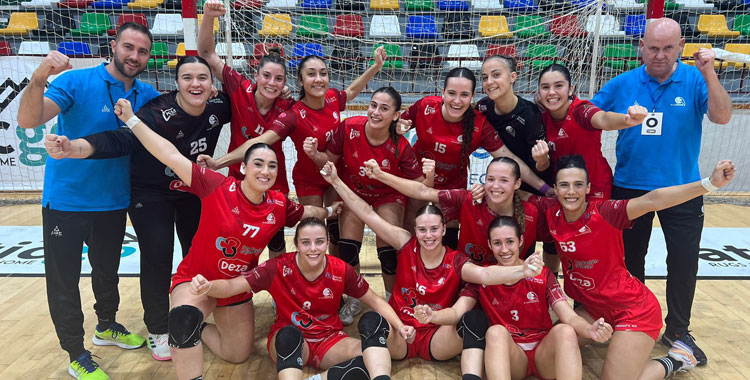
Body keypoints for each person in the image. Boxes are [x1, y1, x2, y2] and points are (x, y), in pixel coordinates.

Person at [110, 96, 338, 379]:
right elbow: (170, 155)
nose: (265, 171)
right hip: (196, 280)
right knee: (183, 319)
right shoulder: (216, 185)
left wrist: (330, 209)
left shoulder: (278, 204)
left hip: (234, 287)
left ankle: (202, 329)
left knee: (238, 355)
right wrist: (132, 120)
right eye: (258, 164)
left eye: (271, 166)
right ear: (243, 167)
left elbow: (306, 211)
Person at [43, 55, 232, 362]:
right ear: (177, 83)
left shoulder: (219, 106)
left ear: (212, 84)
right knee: (157, 257)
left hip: (190, 192)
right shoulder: (158, 112)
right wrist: (74, 148)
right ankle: (158, 330)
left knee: (198, 255)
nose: (195, 84)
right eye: (188, 78)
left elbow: (253, 104)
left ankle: (194, 316)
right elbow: (120, 140)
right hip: (150, 194)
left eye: (202, 78)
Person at [202, 47, 388, 324]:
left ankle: (341, 295)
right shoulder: (292, 113)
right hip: (307, 180)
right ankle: (307, 293)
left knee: (339, 240)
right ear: (300, 81)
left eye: (323, 74)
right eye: (311, 74)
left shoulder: (334, 100)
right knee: (315, 239)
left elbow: (351, 91)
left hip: (336, 178)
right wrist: (219, 162)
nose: (318, 79)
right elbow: (261, 141)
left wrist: (374, 67)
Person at [17, 22, 159, 379]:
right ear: (114, 45)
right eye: (128, 47)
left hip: (114, 202)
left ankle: (107, 325)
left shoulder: (148, 93)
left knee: (107, 271)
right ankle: (76, 352)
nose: (134, 56)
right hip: (66, 202)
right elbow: (28, 119)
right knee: (63, 280)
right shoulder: (75, 81)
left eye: (142, 51)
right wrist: (38, 79)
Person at [590, 17, 733, 365]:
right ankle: (632, 318)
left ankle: (678, 329)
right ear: (641, 46)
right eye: (653, 48)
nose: (659, 55)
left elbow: (723, 116)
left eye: (668, 48)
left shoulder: (696, 79)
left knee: (683, 262)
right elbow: (589, 114)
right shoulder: (623, 83)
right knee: (628, 261)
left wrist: (710, 73)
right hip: (629, 187)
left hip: (683, 189)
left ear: (680, 47)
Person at [321, 161, 543, 376]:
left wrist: (523, 271)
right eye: (423, 230)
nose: (428, 236)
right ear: (415, 230)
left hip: (437, 336)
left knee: (475, 321)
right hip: (402, 334)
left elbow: (485, 274)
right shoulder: (405, 243)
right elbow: (367, 214)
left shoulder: (456, 261)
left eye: (434, 229)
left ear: (445, 229)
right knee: (370, 320)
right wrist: (336, 181)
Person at [530, 154, 735, 379]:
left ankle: (676, 360)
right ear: (555, 190)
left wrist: (710, 184)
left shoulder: (606, 212)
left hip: (634, 310)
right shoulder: (551, 213)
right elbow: (514, 192)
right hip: (595, 311)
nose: (571, 192)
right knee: (550, 347)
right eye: (564, 185)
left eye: (578, 185)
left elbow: (652, 200)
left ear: (588, 187)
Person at [189, 217, 412, 380]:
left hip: (330, 340)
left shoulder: (341, 269)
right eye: (306, 242)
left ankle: (317, 379)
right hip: (292, 341)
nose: (313, 249)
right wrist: (208, 286)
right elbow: (233, 285)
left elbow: (376, 301)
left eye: (319, 242)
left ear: (326, 243)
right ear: (296, 244)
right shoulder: (277, 267)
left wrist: (401, 327)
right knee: (288, 336)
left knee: (374, 361)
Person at [421, 216, 613, 380]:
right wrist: (433, 316)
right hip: (511, 355)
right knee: (495, 332)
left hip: (542, 353)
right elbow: (456, 313)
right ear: (489, 245)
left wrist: (589, 330)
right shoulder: (483, 277)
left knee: (565, 330)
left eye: (510, 242)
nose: (504, 249)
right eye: (497, 243)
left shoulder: (542, 274)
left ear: (521, 240)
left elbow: (569, 316)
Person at [398, 67, 552, 249]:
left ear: (472, 97)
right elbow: (394, 125)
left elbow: (510, 158)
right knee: (410, 236)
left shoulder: (479, 124)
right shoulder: (425, 106)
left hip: (453, 187)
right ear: (442, 92)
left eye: (464, 95)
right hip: (418, 179)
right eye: (451, 93)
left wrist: (545, 188)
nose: (457, 100)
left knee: (448, 243)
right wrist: (397, 127)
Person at [303, 87, 427, 303]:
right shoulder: (349, 127)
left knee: (388, 254)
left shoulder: (402, 145)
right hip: (355, 194)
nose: (376, 112)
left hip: (388, 196)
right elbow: (329, 159)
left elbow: (418, 187)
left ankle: (392, 300)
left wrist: (413, 219)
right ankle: (354, 300)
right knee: (348, 251)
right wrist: (314, 155)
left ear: (396, 115)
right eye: (373, 105)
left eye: (384, 108)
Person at [198, 0, 294, 259]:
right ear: (256, 74)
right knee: (235, 235)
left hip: (273, 179)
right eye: (267, 76)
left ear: (285, 82)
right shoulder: (240, 88)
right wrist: (208, 16)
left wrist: (217, 163)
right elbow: (206, 53)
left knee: (275, 237)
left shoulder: (287, 107)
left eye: (278, 79)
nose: (272, 83)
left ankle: (276, 291)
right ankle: (233, 282)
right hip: (238, 178)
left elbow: (258, 144)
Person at [366, 156, 547, 265]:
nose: (495, 186)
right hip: (468, 282)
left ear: (517, 184)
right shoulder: (468, 199)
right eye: (490, 179)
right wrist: (380, 175)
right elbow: (423, 191)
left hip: (507, 283)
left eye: (504, 181)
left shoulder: (531, 212)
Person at [533, 63, 648, 201]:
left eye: (558, 86)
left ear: (570, 89)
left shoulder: (580, 110)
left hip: (595, 188)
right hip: (566, 189)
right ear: (538, 92)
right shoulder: (540, 117)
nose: (551, 92)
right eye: (545, 87)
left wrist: (627, 120)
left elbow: (603, 119)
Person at [476, 55, 549, 194]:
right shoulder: (483, 106)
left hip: (532, 187)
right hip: (499, 185)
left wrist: (546, 189)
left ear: (513, 77)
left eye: (496, 75)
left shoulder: (531, 115)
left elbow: (540, 167)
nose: (489, 82)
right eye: (485, 77)